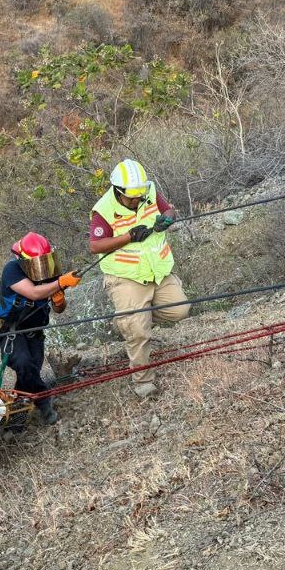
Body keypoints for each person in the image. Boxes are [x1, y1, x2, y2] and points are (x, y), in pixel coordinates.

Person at [89, 159, 190, 399]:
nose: (136, 200)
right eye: (131, 196)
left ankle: (129, 319)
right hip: (126, 277)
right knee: (138, 331)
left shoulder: (149, 191)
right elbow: (95, 245)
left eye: (139, 194)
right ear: (117, 190)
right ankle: (143, 382)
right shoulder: (103, 209)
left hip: (157, 271)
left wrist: (167, 218)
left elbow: (168, 209)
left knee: (180, 310)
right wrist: (128, 237)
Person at [0, 232, 81, 427]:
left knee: (28, 375)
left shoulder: (49, 272)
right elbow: (33, 292)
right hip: (11, 331)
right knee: (24, 365)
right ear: (22, 260)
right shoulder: (12, 270)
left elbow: (59, 310)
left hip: (35, 333)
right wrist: (60, 282)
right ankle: (45, 402)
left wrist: (59, 299)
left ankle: (15, 421)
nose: (42, 266)